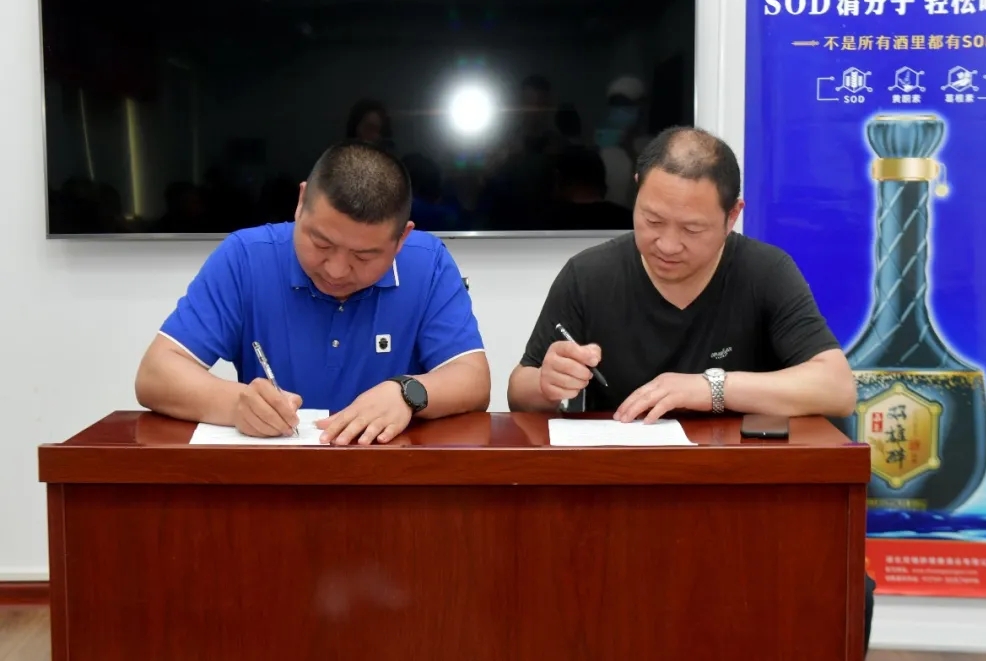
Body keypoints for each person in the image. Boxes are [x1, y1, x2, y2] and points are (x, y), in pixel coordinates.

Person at [506, 125, 874, 655]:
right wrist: (547, 381)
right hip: (622, 513)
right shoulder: (588, 275)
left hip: (743, 514)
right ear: (636, 190)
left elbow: (837, 387)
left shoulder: (765, 273)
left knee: (835, 592)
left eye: (693, 228)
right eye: (652, 220)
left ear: (733, 215)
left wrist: (711, 388)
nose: (667, 244)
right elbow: (520, 390)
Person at [135, 139, 490, 445]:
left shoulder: (428, 263)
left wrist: (406, 394)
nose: (335, 270)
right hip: (275, 480)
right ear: (301, 201)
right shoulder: (246, 257)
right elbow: (156, 374)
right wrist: (235, 404)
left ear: (401, 239)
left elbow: (473, 378)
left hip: (390, 478)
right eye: (321, 243)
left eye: (363, 256)